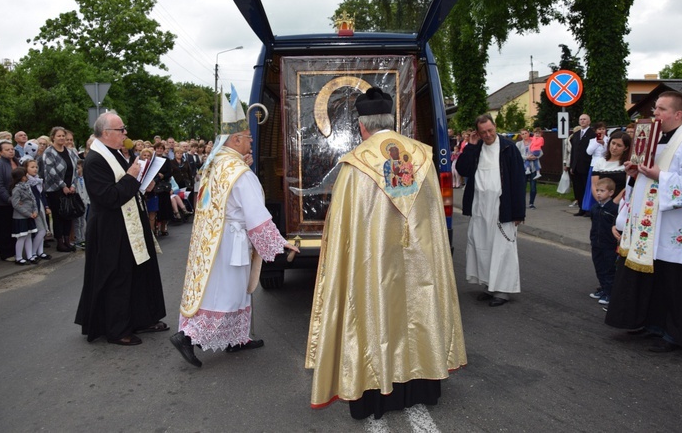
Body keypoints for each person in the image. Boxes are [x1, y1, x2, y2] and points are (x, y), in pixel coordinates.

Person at [305, 87, 466, 419]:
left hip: (373, 266)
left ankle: (375, 393)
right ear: (392, 121)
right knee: (418, 308)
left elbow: (342, 229)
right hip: (419, 260)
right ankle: (422, 383)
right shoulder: (422, 156)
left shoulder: (355, 166)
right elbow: (434, 218)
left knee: (374, 313)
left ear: (362, 125)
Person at [170, 95, 299, 368]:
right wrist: (280, 244)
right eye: (248, 137)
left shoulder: (216, 164)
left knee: (234, 290)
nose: (252, 141)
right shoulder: (239, 172)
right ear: (235, 140)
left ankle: (236, 338)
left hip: (215, 237)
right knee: (225, 292)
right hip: (231, 241)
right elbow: (255, 215)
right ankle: (188, 337)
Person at [606, 91, 682, 353]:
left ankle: (675, 335)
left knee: (676, 283)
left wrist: (659, 176)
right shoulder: (659, 140)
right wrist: (635, 174)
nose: (655, 113)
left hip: (677, 227)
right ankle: (653, 325)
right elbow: (650, 176)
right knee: (657, 280)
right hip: (654, 226)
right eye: (655, 108)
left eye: (661, 109)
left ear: (678, 115)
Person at [75, 111, 168, 346]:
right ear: (106, 133)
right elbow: (108, 197)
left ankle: (142, 318)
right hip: (112, 230)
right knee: (118, 277)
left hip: (131, 223)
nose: (125, 133)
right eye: (121, 130)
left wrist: (142, 181)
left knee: (140, 272)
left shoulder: (115, 153)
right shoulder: (94, 160)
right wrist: (132, 177)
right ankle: (116, 329)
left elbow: (127, 184)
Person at [457, 113, 525, 306]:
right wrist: (469, 146)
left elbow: (519, 181)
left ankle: (502, 290)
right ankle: (488, 285)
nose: (488, 135)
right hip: (480, 206)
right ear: (477, 133)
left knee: (501, 248)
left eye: (490, 130)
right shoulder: (476, 148)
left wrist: (519, 213)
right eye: (483, 132)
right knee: (482, 246)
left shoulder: (508, 148)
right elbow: (462, 169)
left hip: (501, 207)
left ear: (495, 126)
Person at [42, 127, 79, 252]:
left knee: (68, 214)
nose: (62, 138)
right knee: (58, 215)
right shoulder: (49, 152)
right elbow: (51, 172)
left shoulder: (70, 152)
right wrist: (63, 186)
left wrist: (73, 185)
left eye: (63, 136)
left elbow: (75, 170)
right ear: (53, 137)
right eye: (59, 136)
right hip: (55, 189)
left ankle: (67, 240)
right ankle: (60, 242)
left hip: (70, 188)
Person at [588, 177, 619, 306]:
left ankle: (609, 293)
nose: (599, 193)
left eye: (602, 190)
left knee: (609, 268)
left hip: (609, 244)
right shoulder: (595, 208)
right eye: (597, 190)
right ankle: (603, 288)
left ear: (611, 193)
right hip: (596, 243)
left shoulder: (614, 209)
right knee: (599, 267)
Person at [0, 139, 20, 261]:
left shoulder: (17, 162)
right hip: (1, 203)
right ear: (0, 152)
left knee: (13, 227)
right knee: (4, 228)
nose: (11, 151)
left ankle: (14, 250)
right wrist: (9, 199)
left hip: (17, 201)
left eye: (12, 149)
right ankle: (6, 253)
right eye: (7, 150)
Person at [23, 158, 51, 261]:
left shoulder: (38, 180)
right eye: (32, 167)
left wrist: (46, 206)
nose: (35, 169)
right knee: (41, 230)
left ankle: (40, 251)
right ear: (26, 168)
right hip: (33, 208)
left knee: (43, 228)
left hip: (41, 206)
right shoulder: (27, 182)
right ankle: (33, 252)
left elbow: (42, 195)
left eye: (36, 167)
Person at [590, 130, 631, 202]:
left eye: (619, 145)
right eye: (613, 143)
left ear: (626, 148)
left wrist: (614, 203)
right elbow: (594, 185)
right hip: (602, 202)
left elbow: (628, 186)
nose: (614, 147)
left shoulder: (627, 164)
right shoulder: (600, 162)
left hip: (621, 202)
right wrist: (601, 202)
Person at [10, 167, 39, 265]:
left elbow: (33, 199)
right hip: (21, 217)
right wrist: (28, 213)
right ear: (22, 177)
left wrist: (35, 210)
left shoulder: (27, 186)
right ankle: (18, 257)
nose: (27, 176)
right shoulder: (17, 189)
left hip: (30, 215)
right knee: (21, 237)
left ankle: (30, 255)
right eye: (25, 174)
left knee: (29, 236)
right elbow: (16, 204)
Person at [569, 114, 594, 216]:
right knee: (578, 188)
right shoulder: (576, 134)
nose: (582, 121)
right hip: (576, 166)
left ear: (589, 121)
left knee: (586, 187)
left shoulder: (592, 134)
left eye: (584, 119)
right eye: (581, 119)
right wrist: (571, 165)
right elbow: (573, 151)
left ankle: (588, 209)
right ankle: (581, 208)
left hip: (586, 165)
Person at [582, 121, 608, 213]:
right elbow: (588, 152)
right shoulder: (592, 140)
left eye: (603, 129)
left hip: (605, 165)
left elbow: (608, 152)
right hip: (594, 165)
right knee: (593, 186)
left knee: (603, 186)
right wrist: (597, 142)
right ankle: (591, 207)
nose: (601, 131)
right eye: (599, 129)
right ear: (596, 131)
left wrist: (603, 144)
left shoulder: (608, 140)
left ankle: (603, 205)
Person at [516, 128, 541, 209]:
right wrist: (526, 157)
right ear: (521, 135)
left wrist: (535, 156)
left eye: (525, 133)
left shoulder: (534, 141)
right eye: (522, 134)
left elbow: (540, 152)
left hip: (533, 167)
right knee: (522, 186)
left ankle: (531, 203)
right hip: (523, 168)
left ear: (528, 133)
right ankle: (521, 203)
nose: (524, 135)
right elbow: (517, 155)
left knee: (533, 187)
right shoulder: (519, 144)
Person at [73, 160, 90, 250]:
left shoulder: (86, 178)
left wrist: (87, 200)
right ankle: (78, 239)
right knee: (77, 222)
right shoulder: (74, 179)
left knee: (83, 221)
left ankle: (84, 238)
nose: (77, 170)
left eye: (78, 168)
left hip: (85, 201)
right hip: (77, 203)